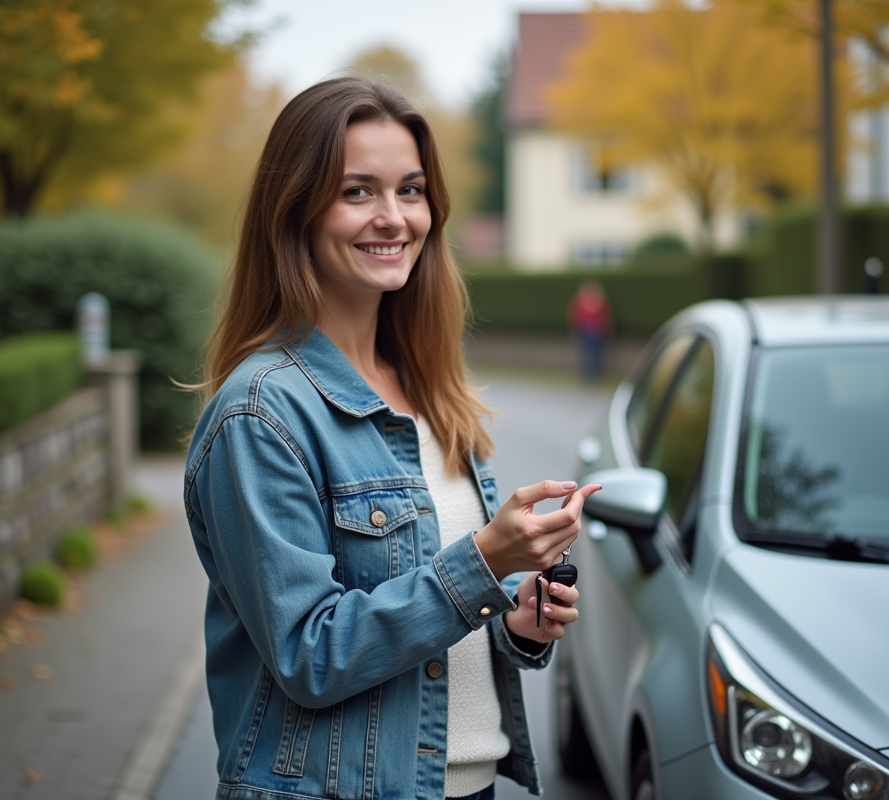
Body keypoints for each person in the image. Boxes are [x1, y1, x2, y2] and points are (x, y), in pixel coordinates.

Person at [183, 77, 602, 800]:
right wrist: (482, 563)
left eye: (410, 190)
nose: (393, 217)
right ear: (297, 213)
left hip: (467, 786)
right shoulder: (260, 414)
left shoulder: (432, 389)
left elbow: (429, 619)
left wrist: (515, 618)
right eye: (357, 192)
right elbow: (309, 654)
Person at [567, 280, 613, 382]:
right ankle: (587, 376)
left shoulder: (601, 302)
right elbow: (574, 316)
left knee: (597, 355)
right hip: (585, 333)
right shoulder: (580, 302)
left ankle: (596, 376)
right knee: (586, 354)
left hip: (598, 334)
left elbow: (607, 317)